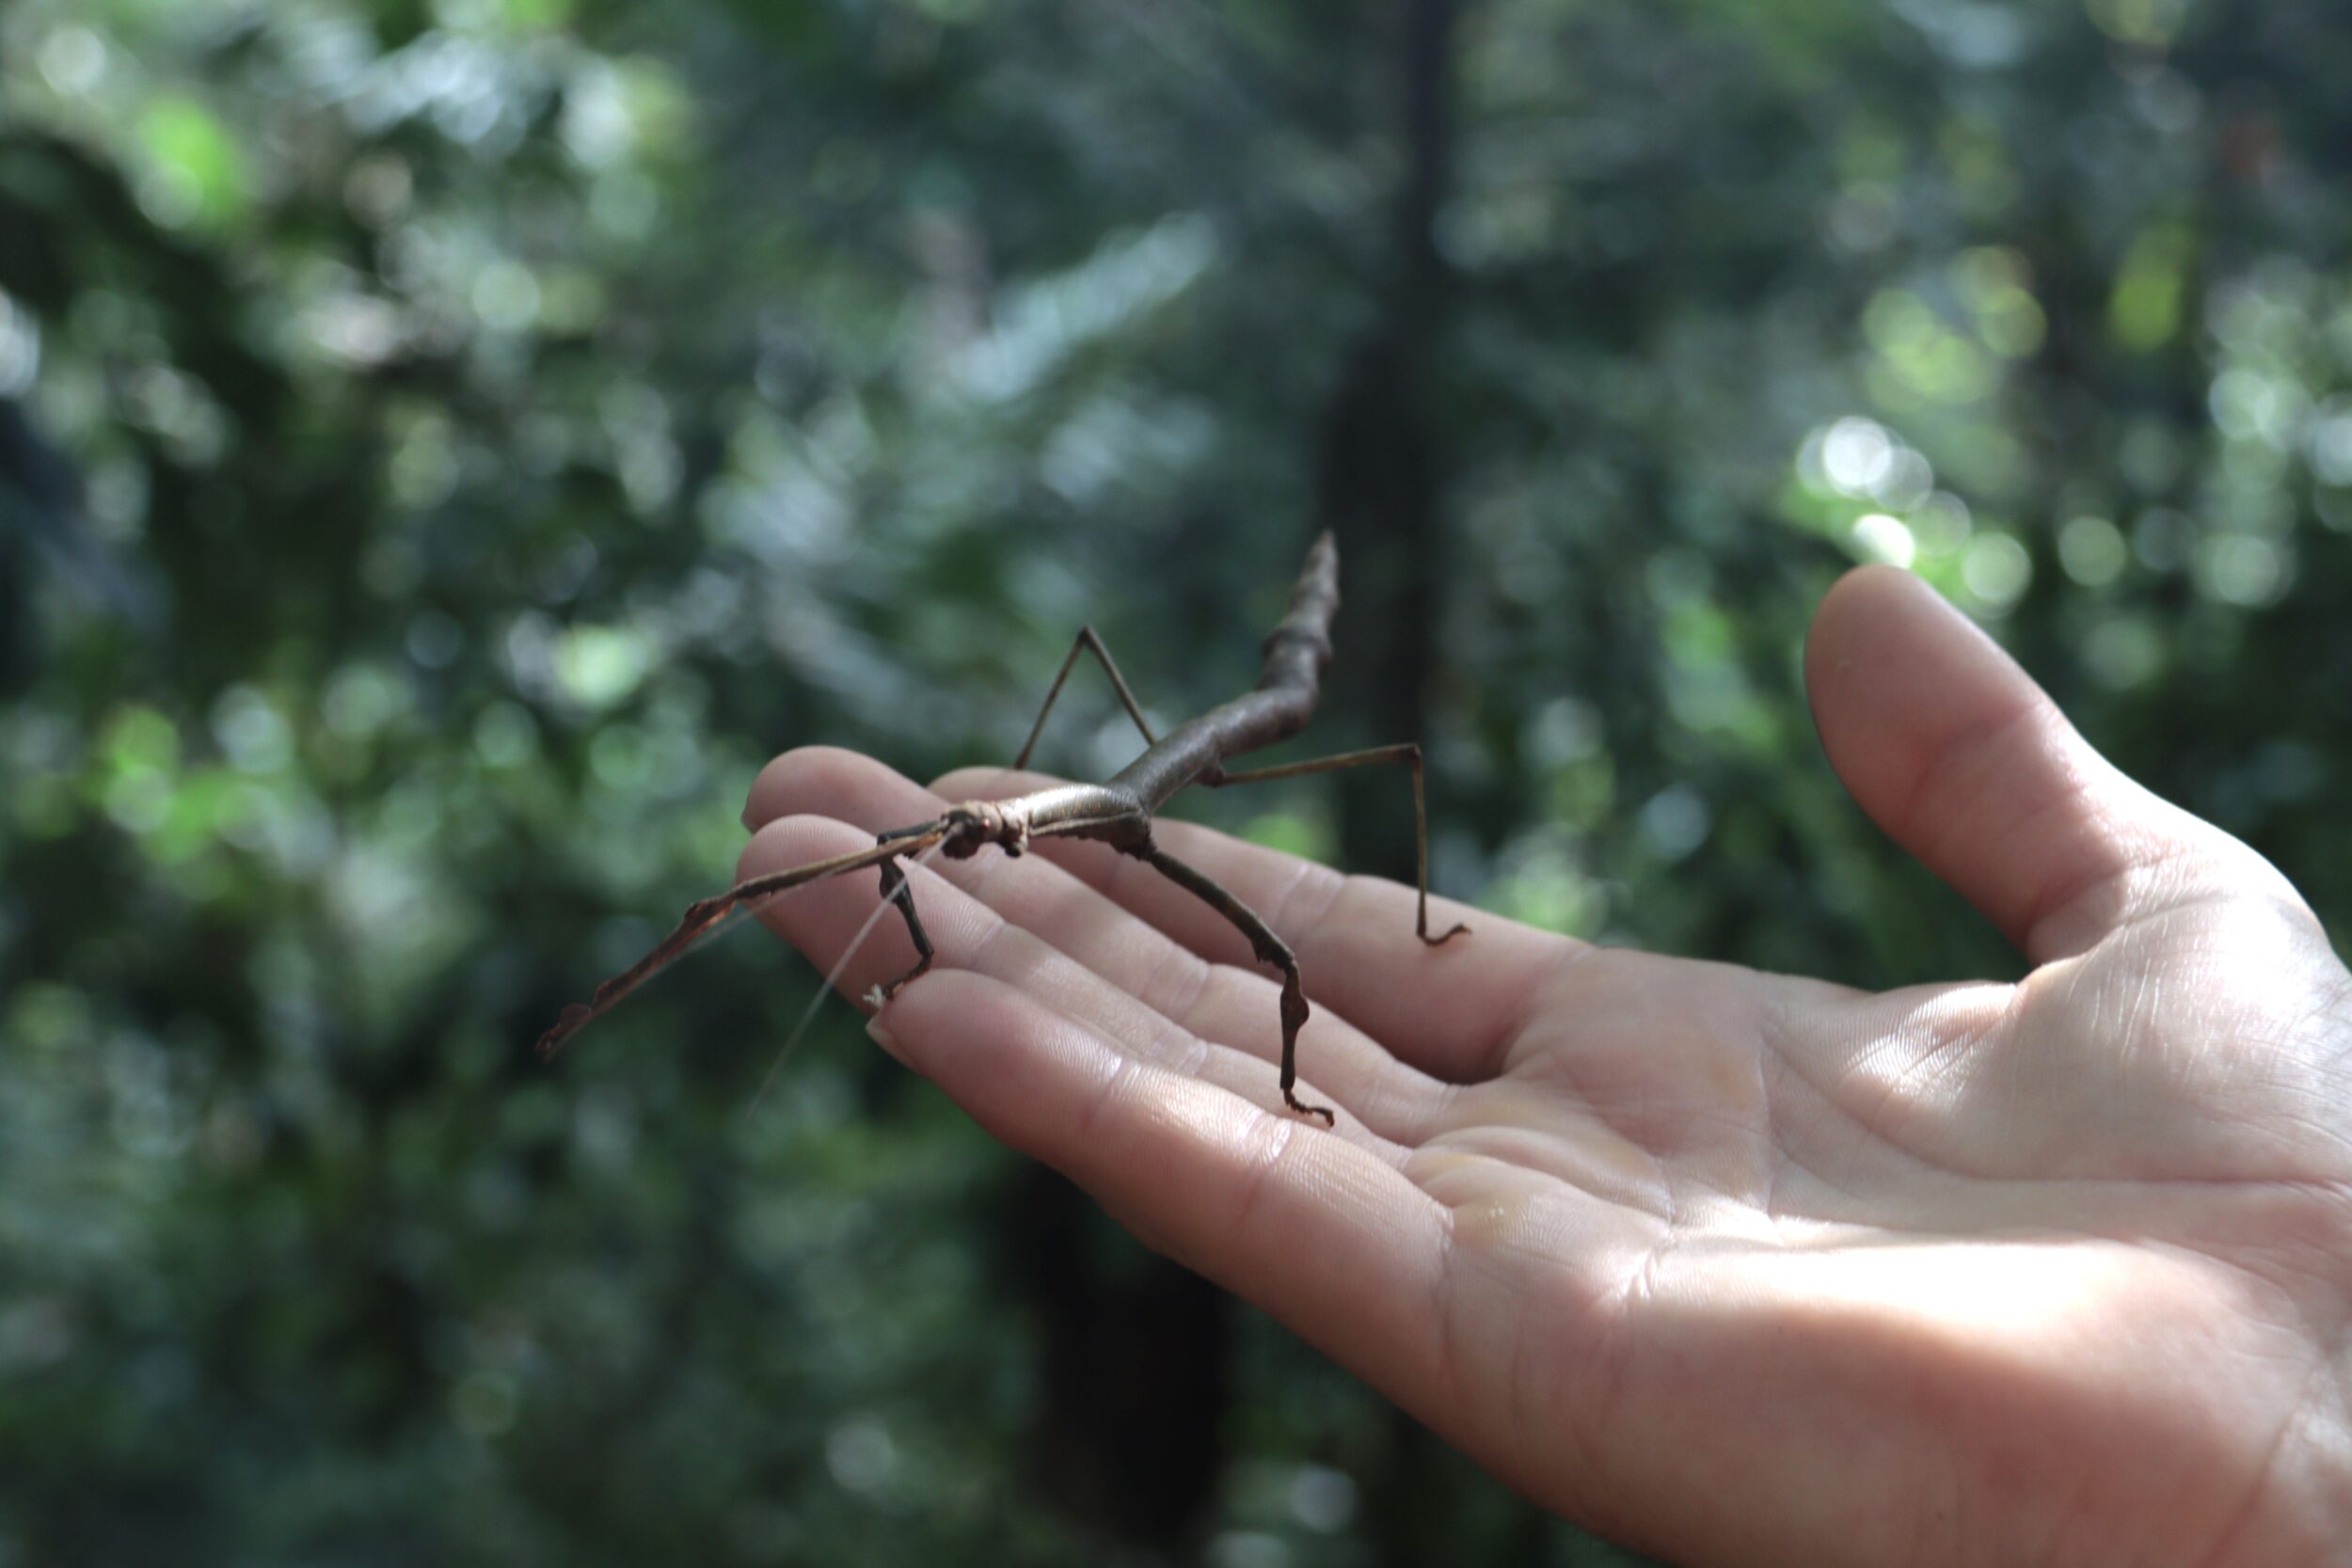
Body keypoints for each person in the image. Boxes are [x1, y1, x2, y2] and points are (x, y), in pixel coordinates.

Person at [737, 564, 2352, 1566]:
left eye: (975, 839)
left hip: (1255, 700)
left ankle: (1323, 692)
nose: (960, 847)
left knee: (1289, 942)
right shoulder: (1030, 834)